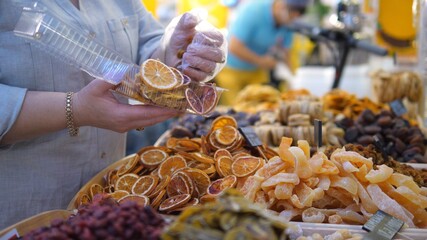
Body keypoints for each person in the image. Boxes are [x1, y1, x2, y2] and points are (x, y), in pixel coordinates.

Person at [0, 0, 225, 228]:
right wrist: (76, 109)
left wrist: (173, 53)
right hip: (23, 215)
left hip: (109, 205)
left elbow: (148, 44)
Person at [215, 0, 310, 105]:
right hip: (231, 69)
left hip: (256, 70)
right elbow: (234, 46)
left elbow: (286, 51)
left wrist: (292, 79)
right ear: (280, 5)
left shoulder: (287, 21)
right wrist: (261, 61)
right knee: (236, 110)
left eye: (301, 11)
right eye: (293, 10)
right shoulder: (254, 11)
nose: (296, 15)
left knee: (265, 105)